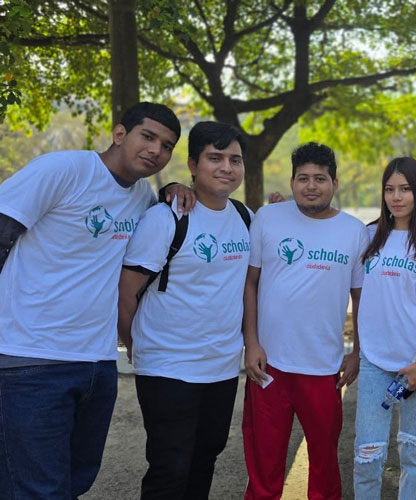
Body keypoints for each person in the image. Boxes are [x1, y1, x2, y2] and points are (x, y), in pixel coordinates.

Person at [0, 102, 193, 498]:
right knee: (37, 488)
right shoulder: (63, 170)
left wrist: (170, 190)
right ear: (120, 134)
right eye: (149, 137)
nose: (158, 151)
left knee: (75, 481)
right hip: (30, 359)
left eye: (168, 146)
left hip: (97, 363)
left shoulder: (142, 197)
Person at [116, 121, 250, 499]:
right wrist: (134, 343)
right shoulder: (166, 218)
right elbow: (127, 293)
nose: (227, 167)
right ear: (192, 165)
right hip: (168, 365)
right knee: (169, 466)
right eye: (215, 158)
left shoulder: (245, 218)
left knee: (206, 456)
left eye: (235, 160)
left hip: (222, 366)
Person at [242, 142, 368, 500]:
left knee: (325, 462)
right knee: (264, 462)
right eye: (303, 178)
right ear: (293, 181)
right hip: (270, 365)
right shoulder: (268, 218)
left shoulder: (353, 231)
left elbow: (360, 298)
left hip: (323, 367)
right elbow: (250, 283)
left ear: (335, 183)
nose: (311, 186)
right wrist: (251, 343)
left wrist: (356, 352)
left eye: (320, 179)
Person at [353, 157, 416, 499]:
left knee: (413, 452)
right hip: (375, 363)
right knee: (368, 455)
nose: (396, 197)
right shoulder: (368, 236)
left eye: (405, 189)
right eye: (389, 189)